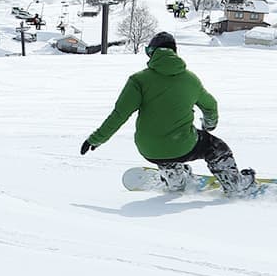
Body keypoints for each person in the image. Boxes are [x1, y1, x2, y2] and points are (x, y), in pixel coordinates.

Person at [81, 31, 255, 194]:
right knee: (216, 148)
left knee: (166, 149)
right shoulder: (190, 79)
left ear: (152, 52)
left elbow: (119, 115)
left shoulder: (138, 80)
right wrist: (209, 125)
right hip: (183, 144)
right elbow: (211, 106)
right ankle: (234, 184)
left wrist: (96, 139)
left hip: (149, 149)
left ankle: (175, 177)